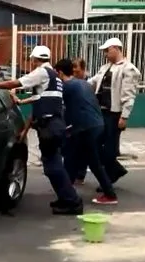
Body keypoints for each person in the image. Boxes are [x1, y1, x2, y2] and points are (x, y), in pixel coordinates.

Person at [0, 45, 83, 215]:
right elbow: (39, 102)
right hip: (54, 125)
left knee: (53, 167)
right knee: (54, 165)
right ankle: (66, 199)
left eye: (31, 59)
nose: (31, 62)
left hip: (50, 127)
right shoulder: (54, 76)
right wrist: (24, 125)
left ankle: (72, 201)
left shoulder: (42, 72)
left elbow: (16, 83)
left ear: (35, 59)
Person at [54, 59, 118, 205]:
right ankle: (67, 193)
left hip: (86, 128)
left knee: (76, 160)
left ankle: (108, 195)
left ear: (60, 72)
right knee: (79, 159)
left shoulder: (67, 86)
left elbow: (55, 103)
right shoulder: (83, 83)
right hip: (96, 125)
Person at [88, 37, 140, 190]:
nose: (105, 54)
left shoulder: (128, 69)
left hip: (114, 114)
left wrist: (124, 116)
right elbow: (93, 82)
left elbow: (128, 94)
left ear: (116, 48)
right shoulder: (105, 68)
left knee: (109, 148)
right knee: (95, 144)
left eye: (107, 50)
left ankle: (109, 178)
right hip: (100, 112)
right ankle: (116, 170)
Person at [67, 58, 89, 185]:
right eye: (73, 69)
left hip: (86, 120)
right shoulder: (71, 83)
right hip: (73, 119)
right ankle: (73, 174)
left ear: (83, 69)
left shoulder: (89, 83)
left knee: (84, 149)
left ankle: (80, 174)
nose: (74, 71)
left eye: (77, 69)